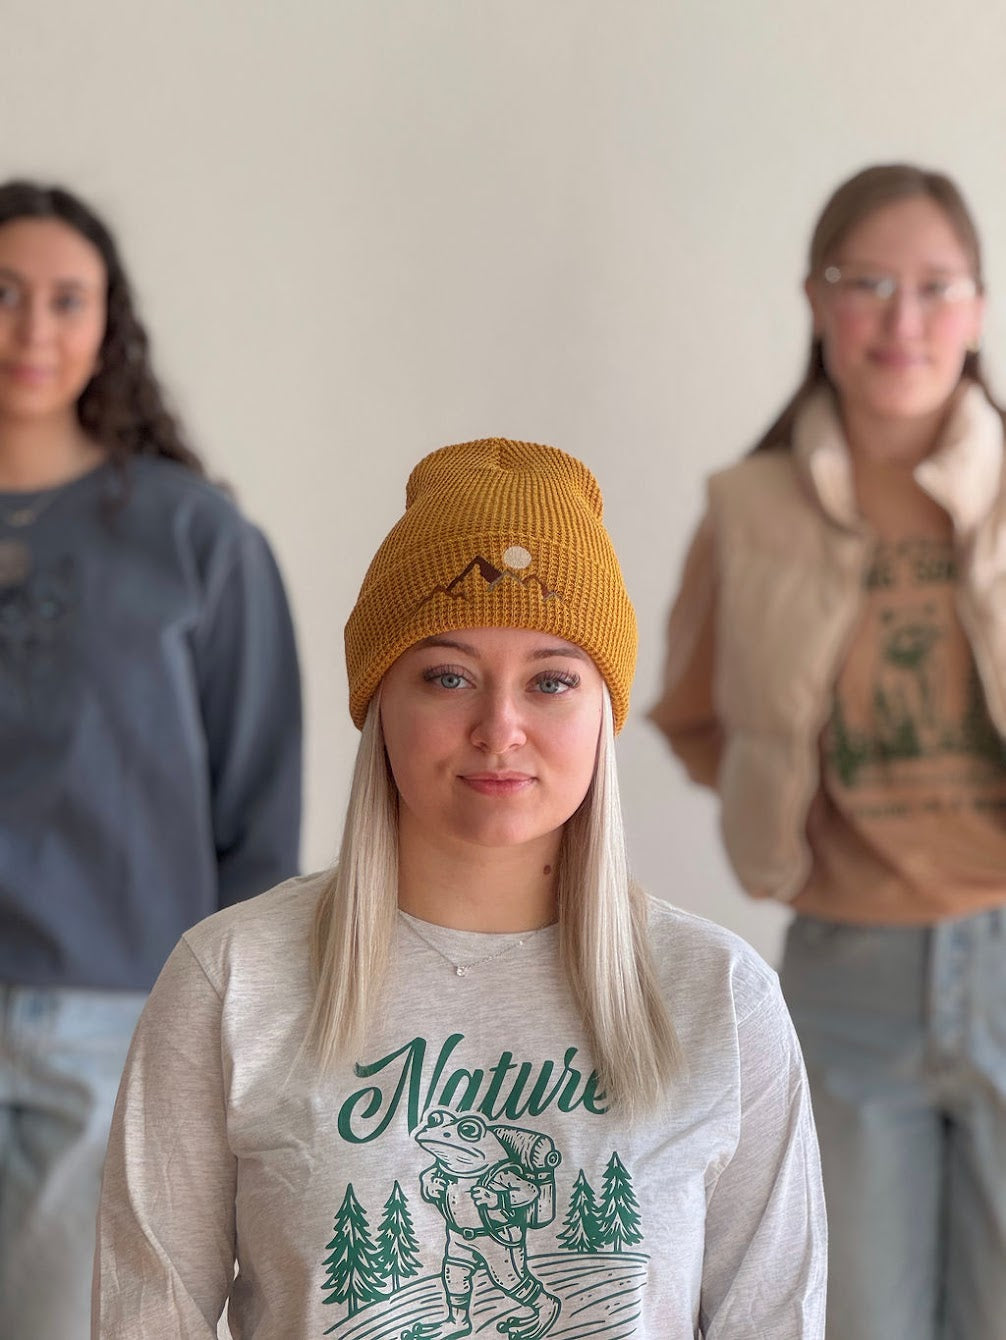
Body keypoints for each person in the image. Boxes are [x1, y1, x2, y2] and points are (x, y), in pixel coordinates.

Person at [94, 436, 826, 1340]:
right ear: (380, 702)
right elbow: (145, 1318)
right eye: (448, 676)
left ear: (603, 712)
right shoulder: (232, 978)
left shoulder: (720, 998)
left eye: (552, 681)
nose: (499, 728)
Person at [650, 163, 1006, 1340]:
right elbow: (694, 714)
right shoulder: (750, 511)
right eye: (867, 284)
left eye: (935, 288)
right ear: (815, 298)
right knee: (851, 1317)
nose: (902, 322)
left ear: (978, 307)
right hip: (846, 974)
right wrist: (798, 810)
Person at [0, 180, 302, 1340]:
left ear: (107, 322)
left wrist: (236, 1041)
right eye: (6, 293)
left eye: (66, 299)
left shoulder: (194, 537)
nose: (34, 328)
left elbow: (259, 800)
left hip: (118, 1021)